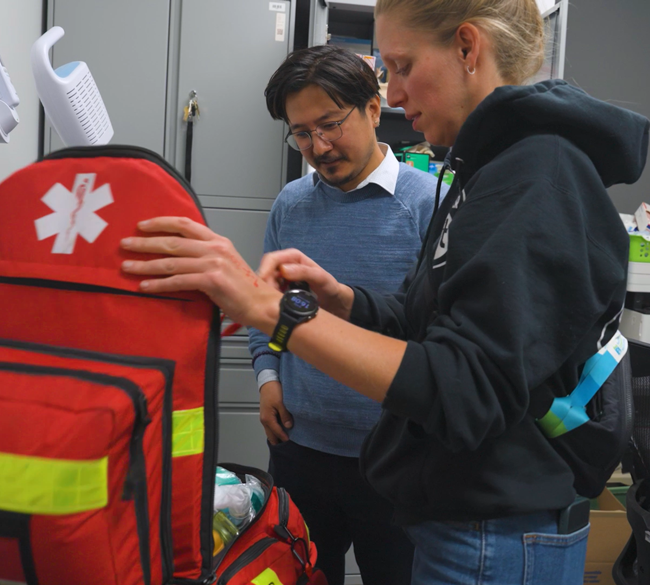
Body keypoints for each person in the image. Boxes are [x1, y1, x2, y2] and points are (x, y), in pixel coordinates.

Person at [120, 0, 650, 582]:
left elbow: (465, 386)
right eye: (303, 132)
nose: (394, 93)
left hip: (492, 533)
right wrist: (343, 300)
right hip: (454, 513)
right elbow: (437, 323)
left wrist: (273, 311)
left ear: (468, 49)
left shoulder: (535, 175)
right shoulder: (489, 172)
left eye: (400, 66)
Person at [248, 45, 440, 585]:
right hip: (300, 448)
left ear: (374, 109)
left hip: (395, 457)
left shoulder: (428, 204)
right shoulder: (291, 203)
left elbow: (439, 333)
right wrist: (267, 377)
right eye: (302, 133)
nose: (319, 146)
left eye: (330, 124)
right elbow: (271, 309)